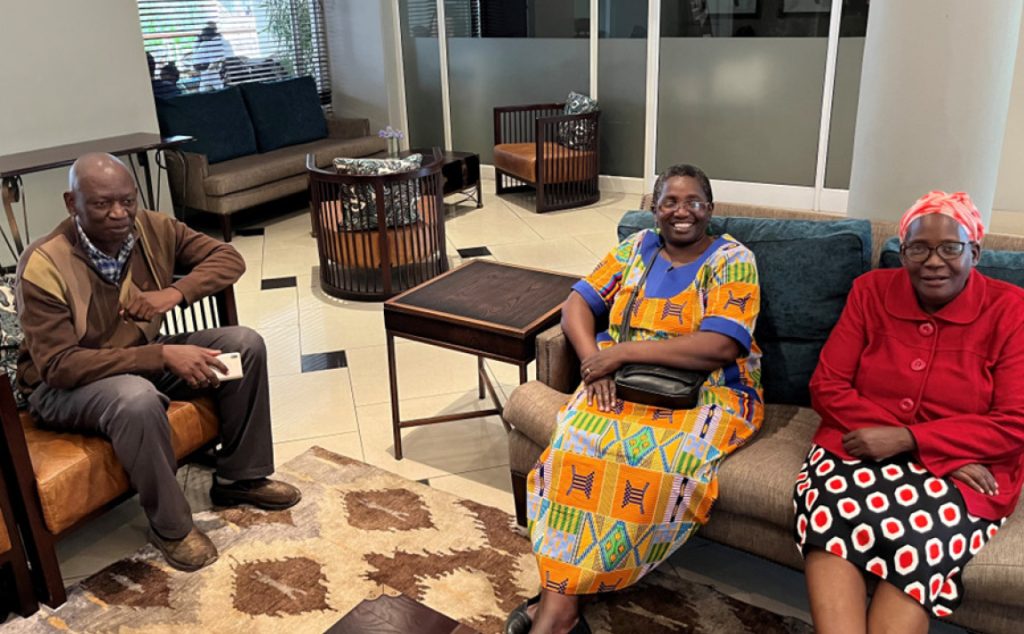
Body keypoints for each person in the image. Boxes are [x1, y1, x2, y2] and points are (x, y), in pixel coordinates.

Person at [506, 164, 764, 634]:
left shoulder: (732, 259)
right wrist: (591, 362)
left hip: (708, 393)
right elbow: (576, 304)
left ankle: (553, 610)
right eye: (669, 201)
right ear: (653, 208)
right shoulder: (635, 249)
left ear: (711, 210)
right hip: (623, 382)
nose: (681, 211)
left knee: (653, 463)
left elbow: (721, 345)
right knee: (572, 447)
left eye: (693, 202)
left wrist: (619, 352)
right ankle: (561, 607)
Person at [15, 153, 300, 572]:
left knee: (244, 345)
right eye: (101, 204)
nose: (119, 214)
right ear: (71, 203)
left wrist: (173, 294)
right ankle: (172, 527)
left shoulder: (152, 227)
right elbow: (59, 365)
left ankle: (239, 478)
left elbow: (229, 260)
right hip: (61, 388)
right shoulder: (43, 264)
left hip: (137, 360)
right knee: (136, 397)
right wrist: (161, 354)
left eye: (127, 201)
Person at [794, 191, 1024, 633]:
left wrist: (911, 441)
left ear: (974, 251)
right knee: (832, 509)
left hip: (966, 471)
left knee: (922, 537)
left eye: (950, 248)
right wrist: (906, 439)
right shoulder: (871, 291)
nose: (933, 261)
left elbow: (1014, 423)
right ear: (903, 252)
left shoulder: (1011, 310)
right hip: (856, 448)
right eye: (918, 248)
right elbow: (827, 386)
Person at [190, 22, 234, 92]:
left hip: (210, 73)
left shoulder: (206, 44)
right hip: (223, 72)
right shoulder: (224, 41)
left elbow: (196, 60)